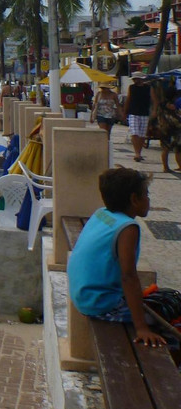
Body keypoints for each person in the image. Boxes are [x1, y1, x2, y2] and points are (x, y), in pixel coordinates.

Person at [68, 167, 179, 353]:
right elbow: (128, 277)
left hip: (84, 295)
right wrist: (141, 327)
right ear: (134, 199)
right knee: (169, 308)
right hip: (101, 304)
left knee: (163, 301)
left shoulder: (102, 213)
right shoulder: (128, 228)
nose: (149, 199)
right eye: (146, 194)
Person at [123, 73, 153, 162]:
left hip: (144, 113)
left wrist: (154, 110)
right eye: (134, 79)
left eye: (136, 79)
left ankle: (139, 152)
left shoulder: (148, 88)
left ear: (141, 79)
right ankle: (137, 153)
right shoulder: (131, 88)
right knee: (134, 133)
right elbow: (128, 100)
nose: (135, 80)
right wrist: (125, 112)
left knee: (142, 135)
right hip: (133, 113)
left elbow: (153, 100)